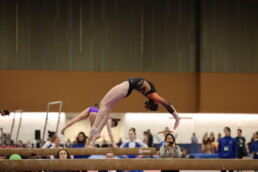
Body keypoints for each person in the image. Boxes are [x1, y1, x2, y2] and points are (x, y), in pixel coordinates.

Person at [86, 78, 180, 147]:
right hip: (127, 89)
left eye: (158, 104)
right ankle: (97, 132)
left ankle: (94, 130)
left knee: (103, 104)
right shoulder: (152, 96)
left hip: (126, 86)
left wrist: (177, 118)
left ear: (154, 102)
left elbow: (167, 104)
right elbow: (166, 105)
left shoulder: (153, 96)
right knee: (107, 109)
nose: (160, 103)